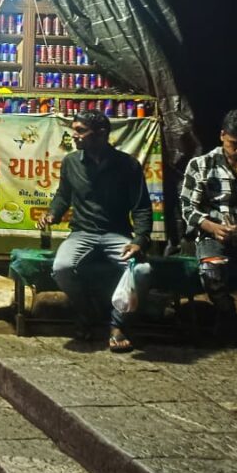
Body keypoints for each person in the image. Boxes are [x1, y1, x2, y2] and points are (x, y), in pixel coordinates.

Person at [37, 110, 153, 352]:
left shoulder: (127, 165)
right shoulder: (71, 162)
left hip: (116, 234)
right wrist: (51, 214)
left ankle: (118, 324)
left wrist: (140, 240)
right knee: (62, 268)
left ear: (101, 133)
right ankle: (86, 312)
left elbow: (141, 206)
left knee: (142, 270)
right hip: (82, 233)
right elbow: (63, 196)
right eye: (74, 129)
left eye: (80, 130)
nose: (74, 135)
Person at [180, 107, 237, 342]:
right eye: (234, 143)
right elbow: (188, 210)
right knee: (210, 270)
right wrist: (214, 228)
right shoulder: (201, 165)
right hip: (213, 234)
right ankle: (226, 311)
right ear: (222, 136)